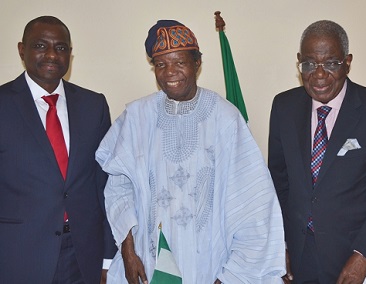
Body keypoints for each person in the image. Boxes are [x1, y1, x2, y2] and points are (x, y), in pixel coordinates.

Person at [96, 19, 286, 283]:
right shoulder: (136, 118)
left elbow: (252, 205)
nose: (169, 72)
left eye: (179, 62)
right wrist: (128, 252)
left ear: (197, 63)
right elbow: (118, 188)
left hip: (211, 262)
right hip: (150, 263)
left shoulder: (226, 119)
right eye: (160, 64)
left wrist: (233, 276)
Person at [268, 20, 366, 283]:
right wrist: (279, 245)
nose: (319, 74)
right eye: (309, 63)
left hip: (358, 259)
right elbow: (277, 185)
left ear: (347, 62)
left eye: (331, 63)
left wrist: (364, 255)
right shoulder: (284, 107)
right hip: (299, 259)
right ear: (299, 62)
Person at [0, 16, 116, 283]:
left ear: (70, 55)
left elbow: (105, 184)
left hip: (83, 256)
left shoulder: (93, 106)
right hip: (16, 256)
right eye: (41, 45)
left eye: (61, 47)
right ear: (22, 49)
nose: (52, 54)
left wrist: (108, 257)